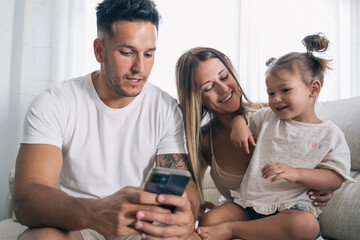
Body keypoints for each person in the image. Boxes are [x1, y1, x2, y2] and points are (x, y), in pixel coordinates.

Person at [13, 0, 200, 239]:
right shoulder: (55, 103)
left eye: (149, 54)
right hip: (79, 224)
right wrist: (96, 212)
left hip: (138, 226)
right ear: (99, 50)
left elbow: (182, 181)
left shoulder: (166, 108)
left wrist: (187, 214)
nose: (139, 68)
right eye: (127, 52)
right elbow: (26, 198)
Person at [194, 33, 355, 240]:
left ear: (313, 89)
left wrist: (297, 173)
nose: (276, 99)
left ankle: (234, 231)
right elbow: (244, 118)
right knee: (209, 221)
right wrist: (239, 124)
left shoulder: (329, 134)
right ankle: (244, 228)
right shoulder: (268, 117)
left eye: (285, 90)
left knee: (305, 225)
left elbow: (335, 178)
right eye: (270, 93)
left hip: (292, 208)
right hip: (249, 203)